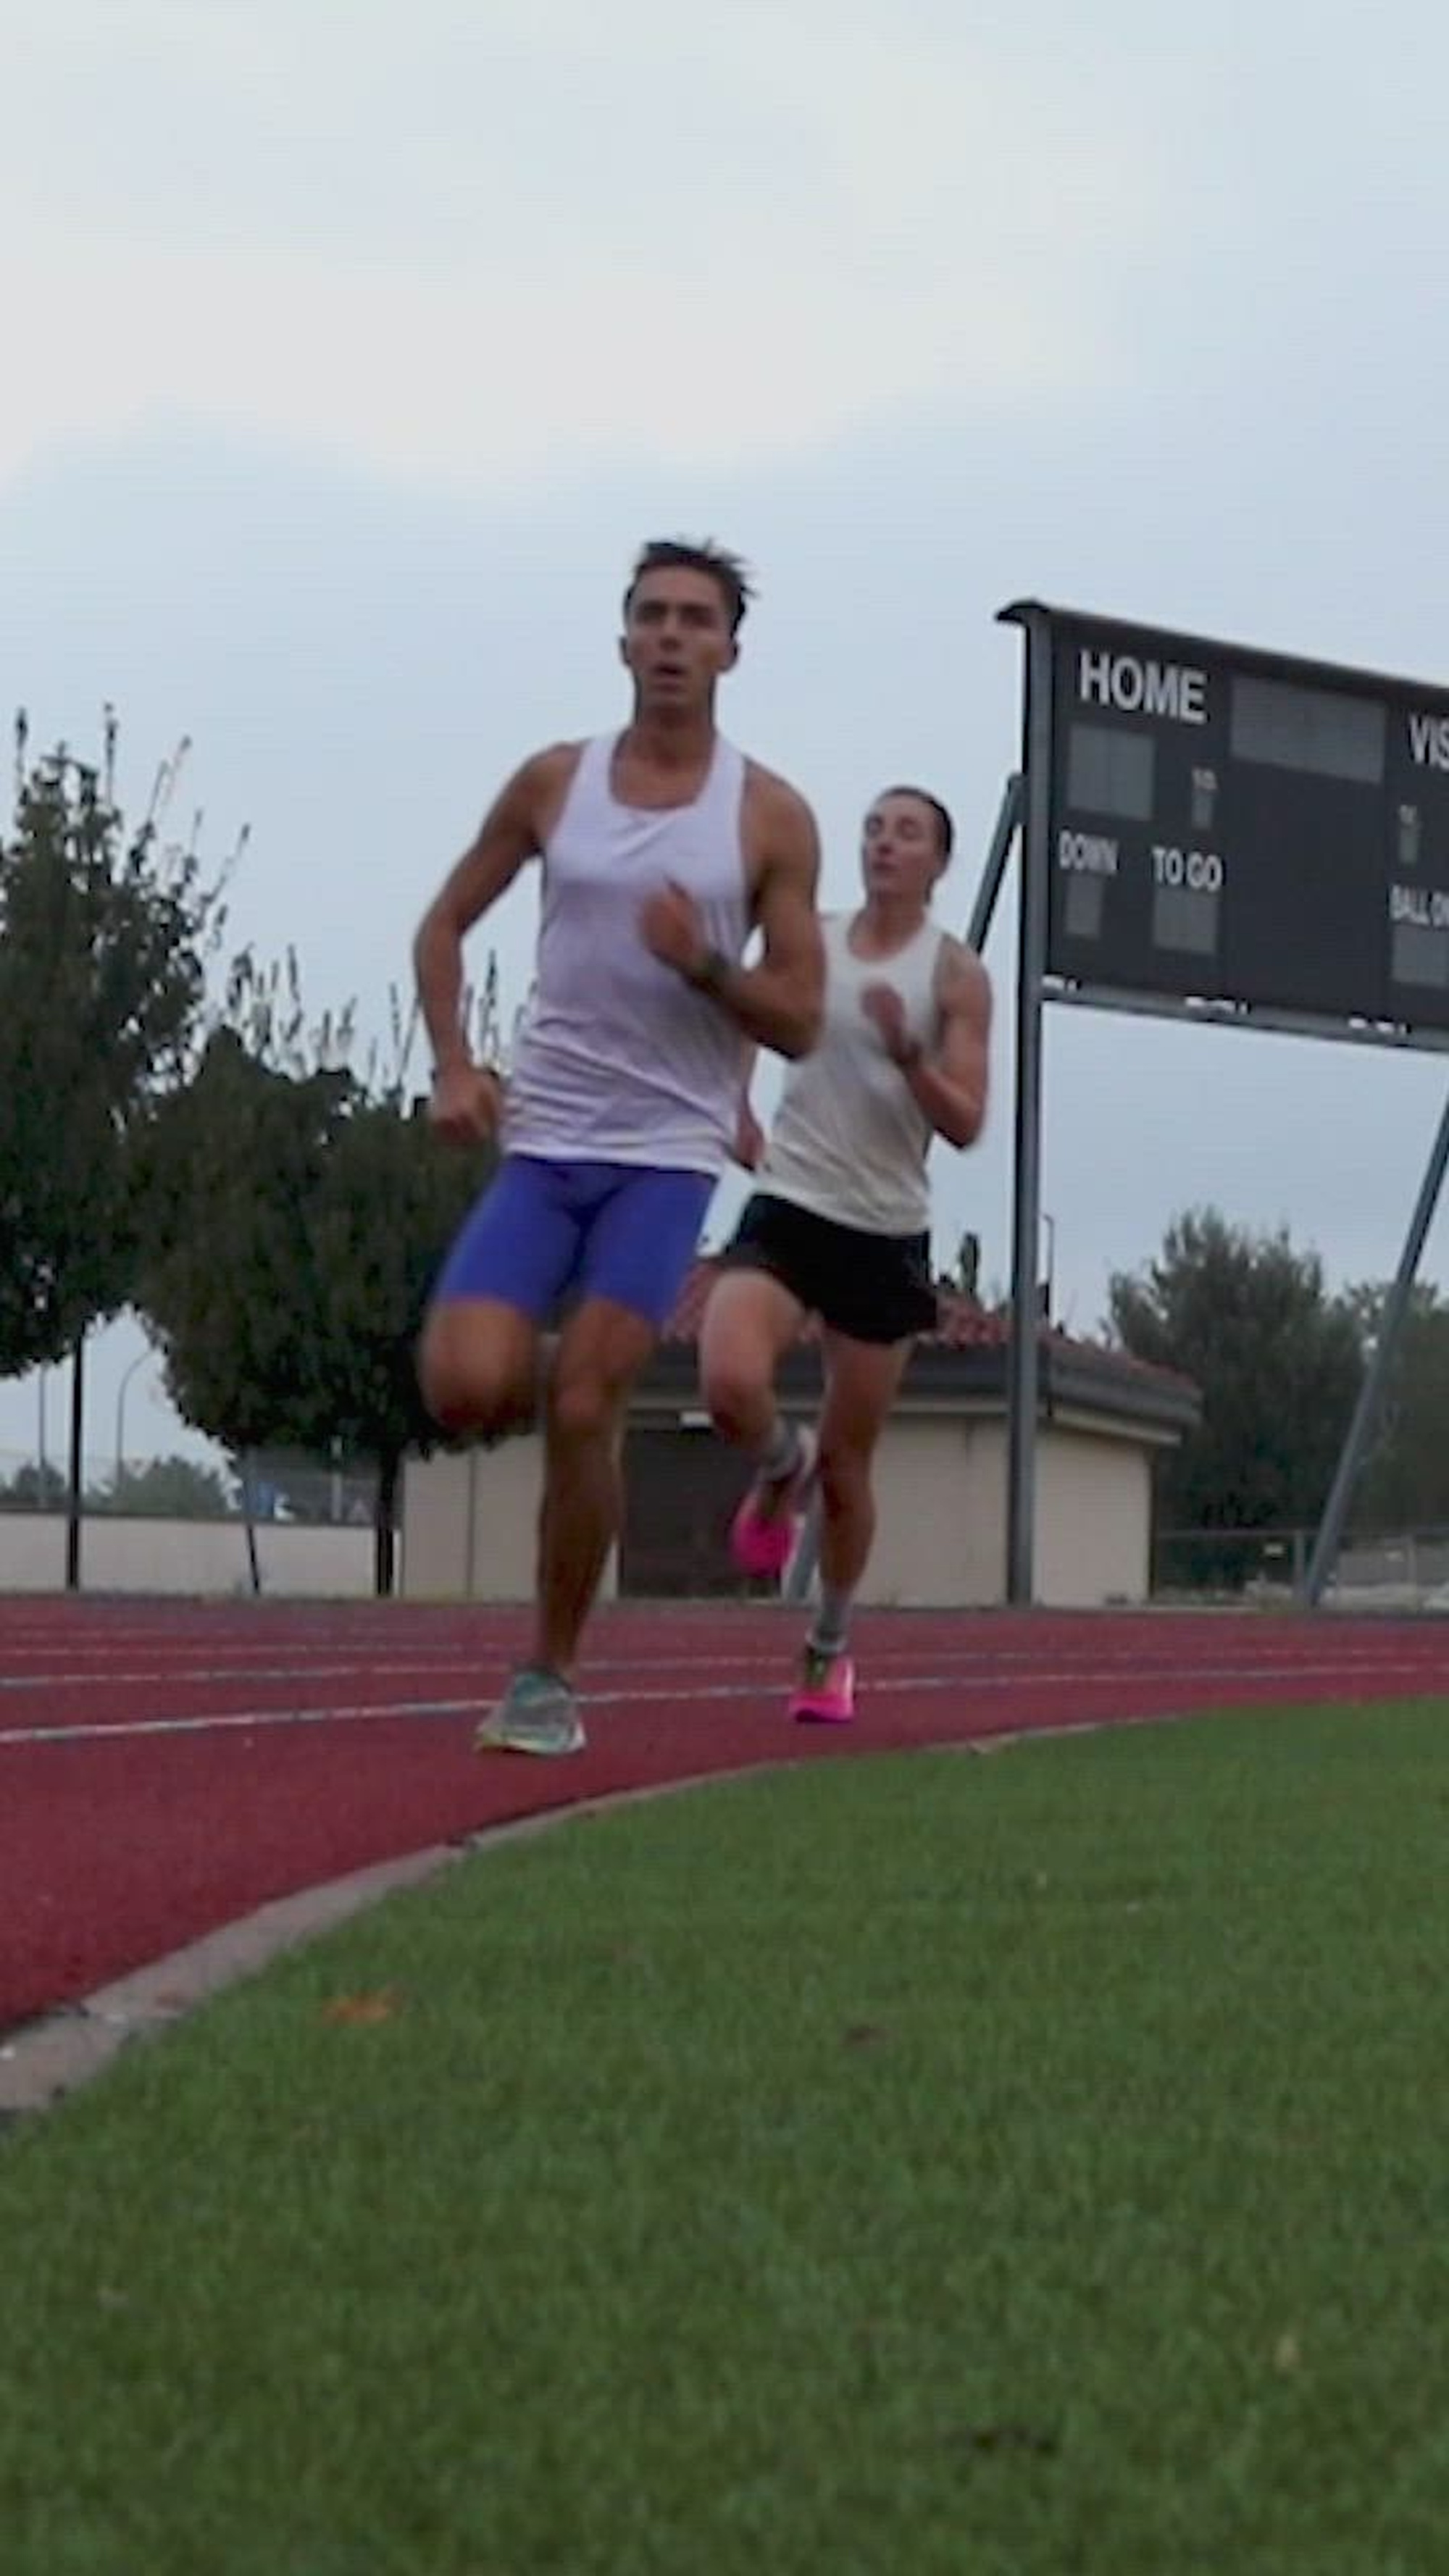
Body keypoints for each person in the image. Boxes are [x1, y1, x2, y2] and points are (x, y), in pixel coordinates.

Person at [413, 538, 823, 1756]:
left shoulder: (766, 814)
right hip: (545, 1139)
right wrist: (454, 1061)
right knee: (468, 1384)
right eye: (652, 617)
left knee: (587, 1396)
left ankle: (547, 1678)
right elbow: (443, 925)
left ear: (731, 651)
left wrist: (704, 960)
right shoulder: (554, 783)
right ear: (623, 641)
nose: (672, 639)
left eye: (698, 620)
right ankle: (646, 1439)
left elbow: (800, 1013)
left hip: (666, 1150)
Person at [700, 785, 991, 1723]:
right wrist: (737, 1107)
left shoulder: (954, 976)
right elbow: (749, 1019)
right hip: (791, 1197)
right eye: (874, 828)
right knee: (726, 1374)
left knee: (851, 1465)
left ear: (938, 864)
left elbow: (968, 1121)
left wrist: (913, 1059)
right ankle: (776, 1468)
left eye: (907, 834)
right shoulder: (809, 943)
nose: (884, 844)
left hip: (884, 1229)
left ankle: (828, 1649)